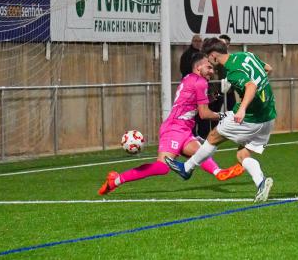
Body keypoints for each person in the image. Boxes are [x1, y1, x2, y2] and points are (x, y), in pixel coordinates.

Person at [98, 53, 244, 195]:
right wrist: (226, 115)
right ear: (198, 67)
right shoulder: (200, 82)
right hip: (174, 129)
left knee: (201, 152)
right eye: (209, 67)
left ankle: (219, 173)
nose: (212, 71)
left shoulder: (189, 78)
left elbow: (195, 103)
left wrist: (218, 94)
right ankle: (116, 180)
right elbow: (204, 114)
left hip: (183, 129)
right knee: (162, 167)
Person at [166, 38, 276, 202]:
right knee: (242, 154)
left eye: (208, 58)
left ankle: (187, 168)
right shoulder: (247, 56)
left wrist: (243, 107)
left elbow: (251, 86)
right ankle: (261, 183)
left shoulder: (232, 71)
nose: (208, 62)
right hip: (269, 116)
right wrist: (256, 90)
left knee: (213, 136)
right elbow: (268, 69)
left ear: (214, 56)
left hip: (252, 118)